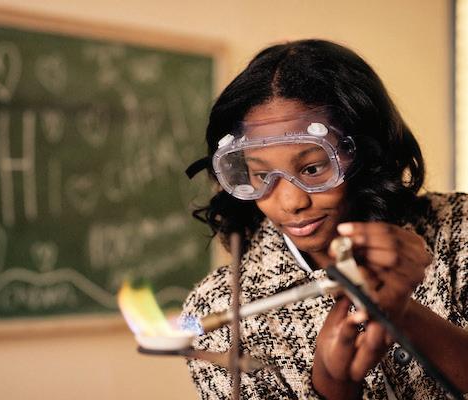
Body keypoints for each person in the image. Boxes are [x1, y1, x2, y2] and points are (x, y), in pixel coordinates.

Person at [182, 39, 468, 399]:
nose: (291, 202)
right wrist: (333, 387)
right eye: (261, 174)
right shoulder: (218, 311)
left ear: (366, 153)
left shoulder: (460, 228)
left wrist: (405, 312)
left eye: (313, 168)